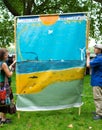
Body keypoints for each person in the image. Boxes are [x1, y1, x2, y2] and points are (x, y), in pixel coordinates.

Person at [86, 43, 102, 120]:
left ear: (99, 50)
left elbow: (88, 65)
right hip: (100, 80)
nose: (94, 49)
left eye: (96, 48)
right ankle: (99, 111)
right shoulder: (99, 58)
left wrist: (88, 56)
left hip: (98, 81)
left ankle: (99, 114)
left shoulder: (99, 59)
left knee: (98, 98)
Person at [0, 48, 15, 124]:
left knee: (2, 101)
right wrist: (12, 69)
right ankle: (3, 120)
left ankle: (1, 118)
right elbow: (9, 74)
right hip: (3, 84)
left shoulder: (1, 63)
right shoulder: (3, 64)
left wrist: (12, 64)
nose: (7, 55)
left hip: (1, 83)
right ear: (2, 55)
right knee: (5, 102)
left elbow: (5, 70)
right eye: (6, 54)